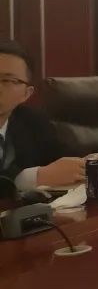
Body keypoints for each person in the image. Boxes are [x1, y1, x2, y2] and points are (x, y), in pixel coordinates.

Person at [0, 40, 87, 191]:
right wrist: (30, 178)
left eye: (8, 80)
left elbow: (68, 159)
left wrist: (83, 165)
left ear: (26, 94)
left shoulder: (32, 121)